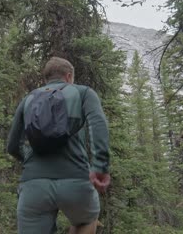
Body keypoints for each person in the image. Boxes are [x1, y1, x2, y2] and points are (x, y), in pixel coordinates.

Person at [7, 57, 111, 234]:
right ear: (69, 76)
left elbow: (12, 146)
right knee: (85, 221)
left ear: (46, 79)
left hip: (34, 186)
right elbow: (98, 123)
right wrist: (100, 166)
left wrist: (29, 161)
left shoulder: (29, 99)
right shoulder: (83, 93)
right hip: (76, 180)